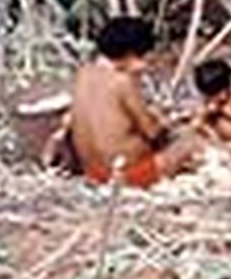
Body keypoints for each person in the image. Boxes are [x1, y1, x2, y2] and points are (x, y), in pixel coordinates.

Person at [66, 16, 202, 188]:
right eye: (144, 57)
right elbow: (152, 132)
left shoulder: (83, 74)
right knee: (190, 143)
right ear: (131, 54)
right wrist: (167, 121)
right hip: (127, 176)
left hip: (92, 172)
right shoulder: (122, 82)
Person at [192, 58, 231, 148]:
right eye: (216, 93)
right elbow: (196, 124)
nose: (222, 96)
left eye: (225, 90)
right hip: (221, 142)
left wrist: (229, 113)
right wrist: (206, 114)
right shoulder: (208, 105)